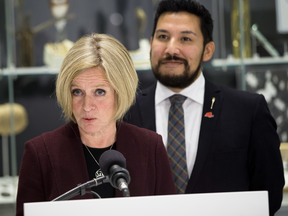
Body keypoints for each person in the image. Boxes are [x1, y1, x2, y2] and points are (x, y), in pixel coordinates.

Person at [124, 0, 285, 215]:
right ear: (151, 43)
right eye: (163, 37)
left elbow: (269, 195)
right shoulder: (124, 112)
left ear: (207, 50)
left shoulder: (247, 111)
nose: (172, 48)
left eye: (185, 39)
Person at [16, 33, 176, 216]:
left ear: (120, 92)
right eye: (77, 92)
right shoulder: (40, 153)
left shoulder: (150, 147)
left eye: (99, 92)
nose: (87, 106)